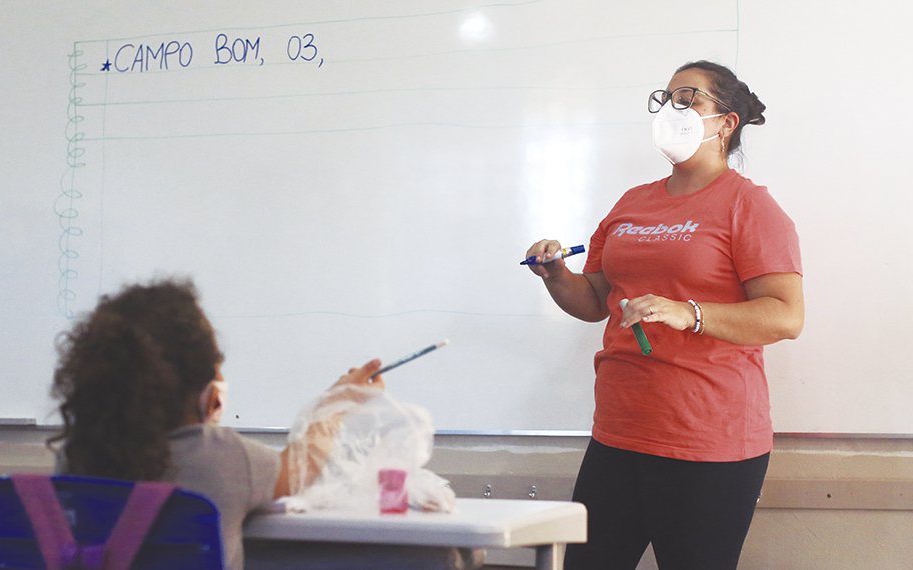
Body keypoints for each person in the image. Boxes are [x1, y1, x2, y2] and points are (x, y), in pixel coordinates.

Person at [525, 60, 803, 569]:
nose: (671, 109)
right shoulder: (633, 203)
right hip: (618, 432)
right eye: (666, 98)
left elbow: (785, 316)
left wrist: (688, 313)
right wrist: (557, 275)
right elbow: (595, 300)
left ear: (726, 122)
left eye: (688, 98)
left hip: (708, 441)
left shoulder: (749, 206)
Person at [49, 278, 480, 570]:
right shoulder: (222, 459)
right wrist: (336, 403)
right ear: (211, 395)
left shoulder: (75, 459)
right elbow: (301, 467)